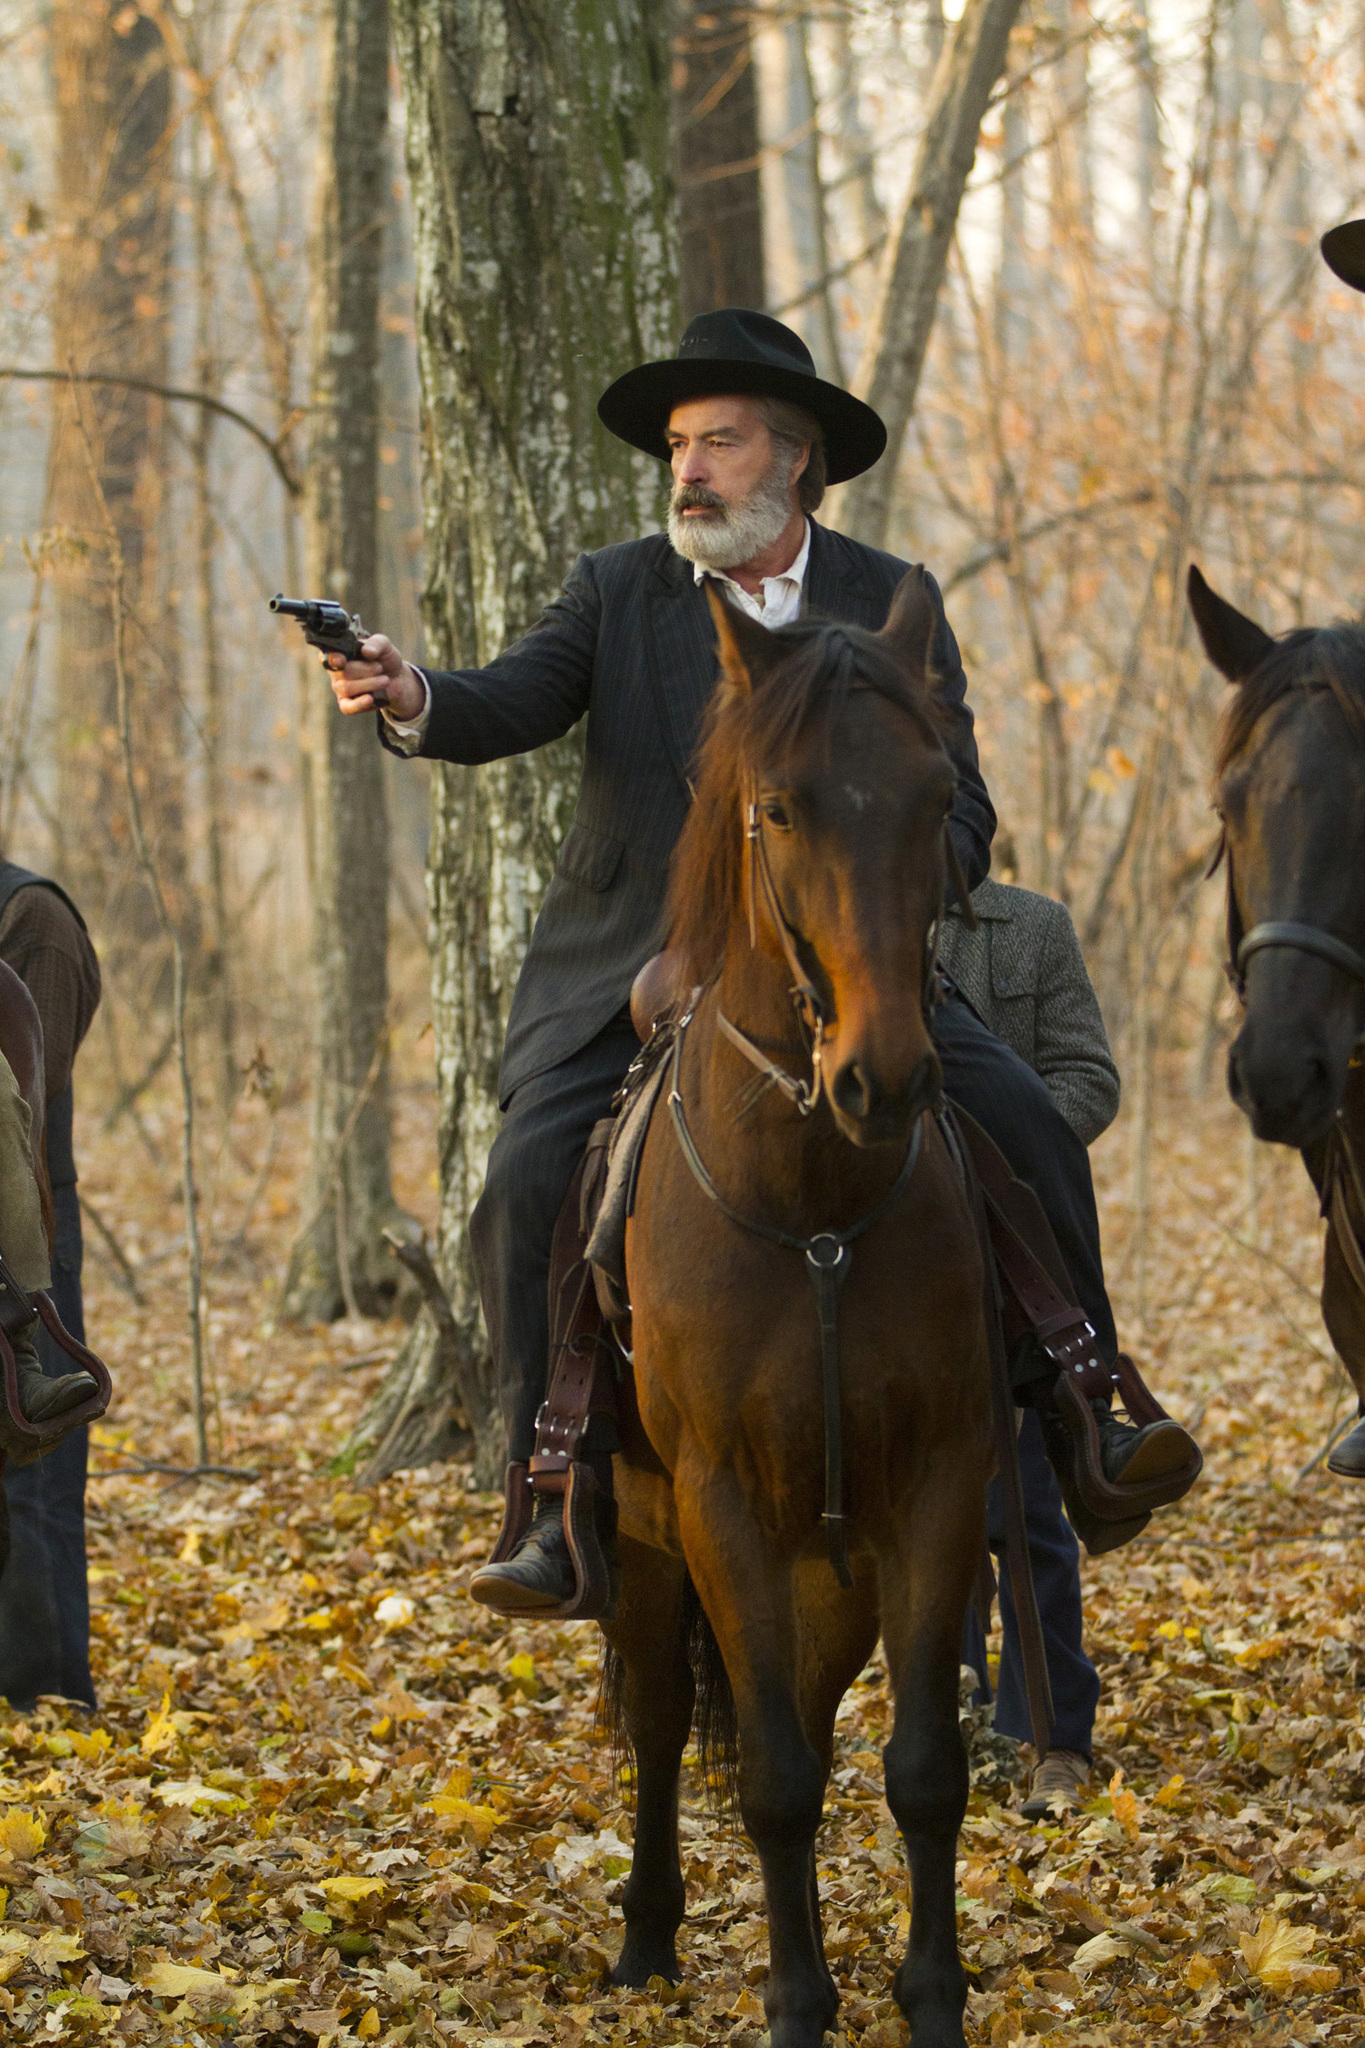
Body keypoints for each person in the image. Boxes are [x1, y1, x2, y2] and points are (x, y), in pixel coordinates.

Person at [325, 308, 1199, 1614]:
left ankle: (1090, 1417)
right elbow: (508, 697)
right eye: (678, 446)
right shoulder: (616, 588)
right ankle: (550, 1501)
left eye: (717, 443)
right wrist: (413, 695)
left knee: (1028, 1120)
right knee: (521, 1182)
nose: (688, 469)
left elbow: (963, 805)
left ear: (793, 460)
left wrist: (898, 887)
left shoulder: (890, 599)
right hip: (629, 968)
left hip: (849, 967)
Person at [944, 873, 1117, 1817]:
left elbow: (1088, 1077)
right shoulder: (840, 912)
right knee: (929, 1506)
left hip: (1019, 1254)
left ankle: (1056, 1738)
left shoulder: (1036, 928)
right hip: (883, 1251)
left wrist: (1002, 1150)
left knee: (1028, 1500)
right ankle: (952, 1711)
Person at [0, 861, 101, 1710]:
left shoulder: (34, 919)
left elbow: (34, 1085)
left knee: (35, 1473)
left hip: (25, 1233)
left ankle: (51, 1691)